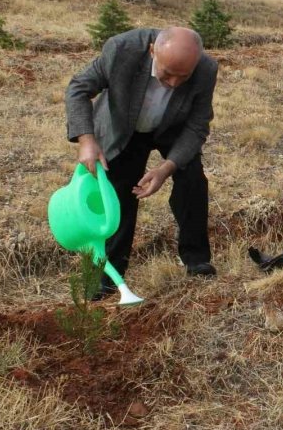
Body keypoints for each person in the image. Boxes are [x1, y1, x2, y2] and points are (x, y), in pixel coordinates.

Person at [64, 27, 219, 299]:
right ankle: (108, 275)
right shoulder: (122, 50)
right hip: (124, 128)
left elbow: (197, 126)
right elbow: (78, 89)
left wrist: (166, 168)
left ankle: (196, 259)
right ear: (152, 51)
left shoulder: (205, 69)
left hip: (172, 127)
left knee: (193, 180)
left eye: (183, 77)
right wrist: (86, 140)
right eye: (166, 73)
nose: (172, 83)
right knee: (119, 195)